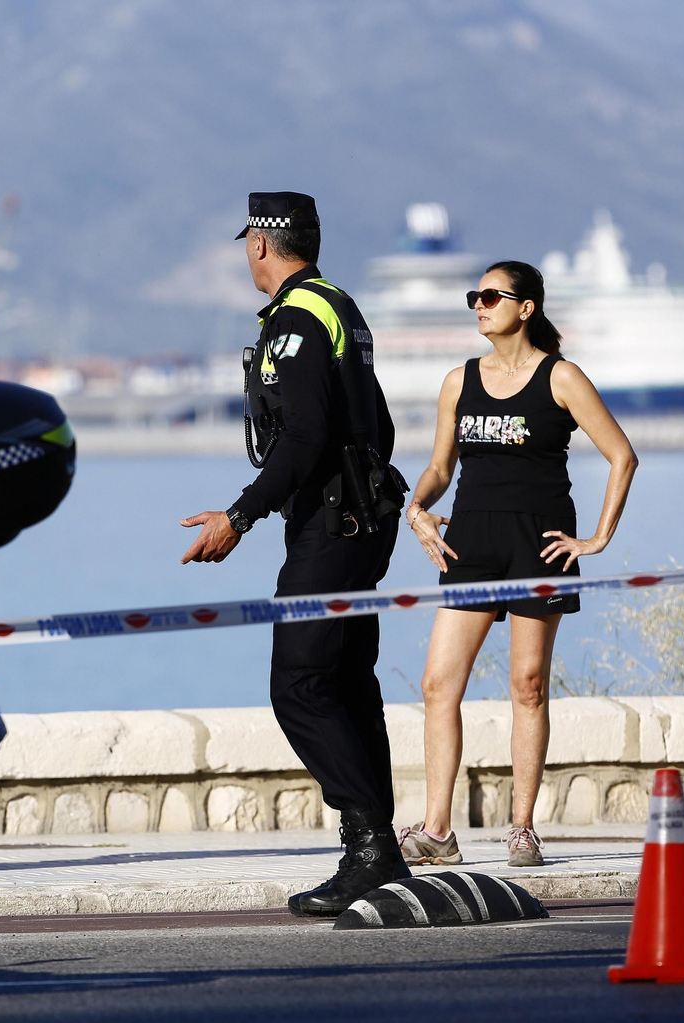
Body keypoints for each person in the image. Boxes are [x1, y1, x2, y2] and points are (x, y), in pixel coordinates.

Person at [180, 192, 409, 916]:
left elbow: (305, 438)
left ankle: (369, 845)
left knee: (302, 684)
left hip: (333, 525)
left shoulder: (297, 320)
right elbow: (377, 421)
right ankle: (381, 848)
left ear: (262, 246)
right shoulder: (339, 305)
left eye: (248, 239)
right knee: (347, 681)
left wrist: (239, 515)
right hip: (358, 517)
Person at [398, 260, 636, 868]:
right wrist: (417, 506)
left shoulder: (562, 377)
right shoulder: (460, 380)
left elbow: (621, 456)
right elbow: (440, 468)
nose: (478, 304)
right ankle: (437, 831)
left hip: (538, 544)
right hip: (470, 544)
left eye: (490, 296)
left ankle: (523, 828)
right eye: (473, 295)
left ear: (525, 308)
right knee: (437, 685)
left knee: (527, 687)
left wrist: (597, 539)